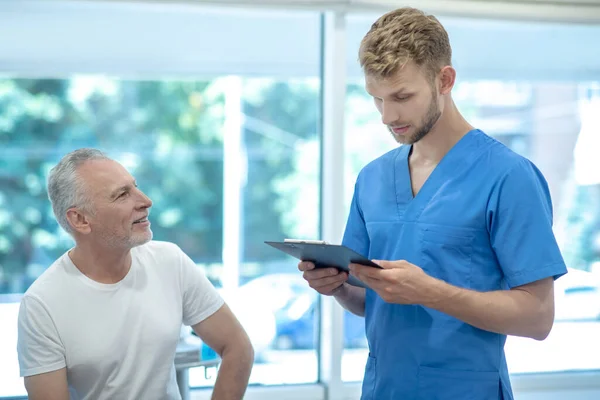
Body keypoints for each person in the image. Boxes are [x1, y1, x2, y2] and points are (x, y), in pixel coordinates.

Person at [299, 7, 567, 400]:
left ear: (445, 80)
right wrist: (338, 288)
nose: (388, 116)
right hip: (383, 390)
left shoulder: (508, 177)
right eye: (376, 99)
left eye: (402, 96)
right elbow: (374, 301)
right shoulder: (372, 178)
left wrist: (430, 291)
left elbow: (538, 318)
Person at [17, 149, 254, 400]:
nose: (145, 201)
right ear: (80, 219)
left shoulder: (170, 261)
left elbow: (238, 347)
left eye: (135, 187)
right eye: (122, 195)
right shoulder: (41, 305)